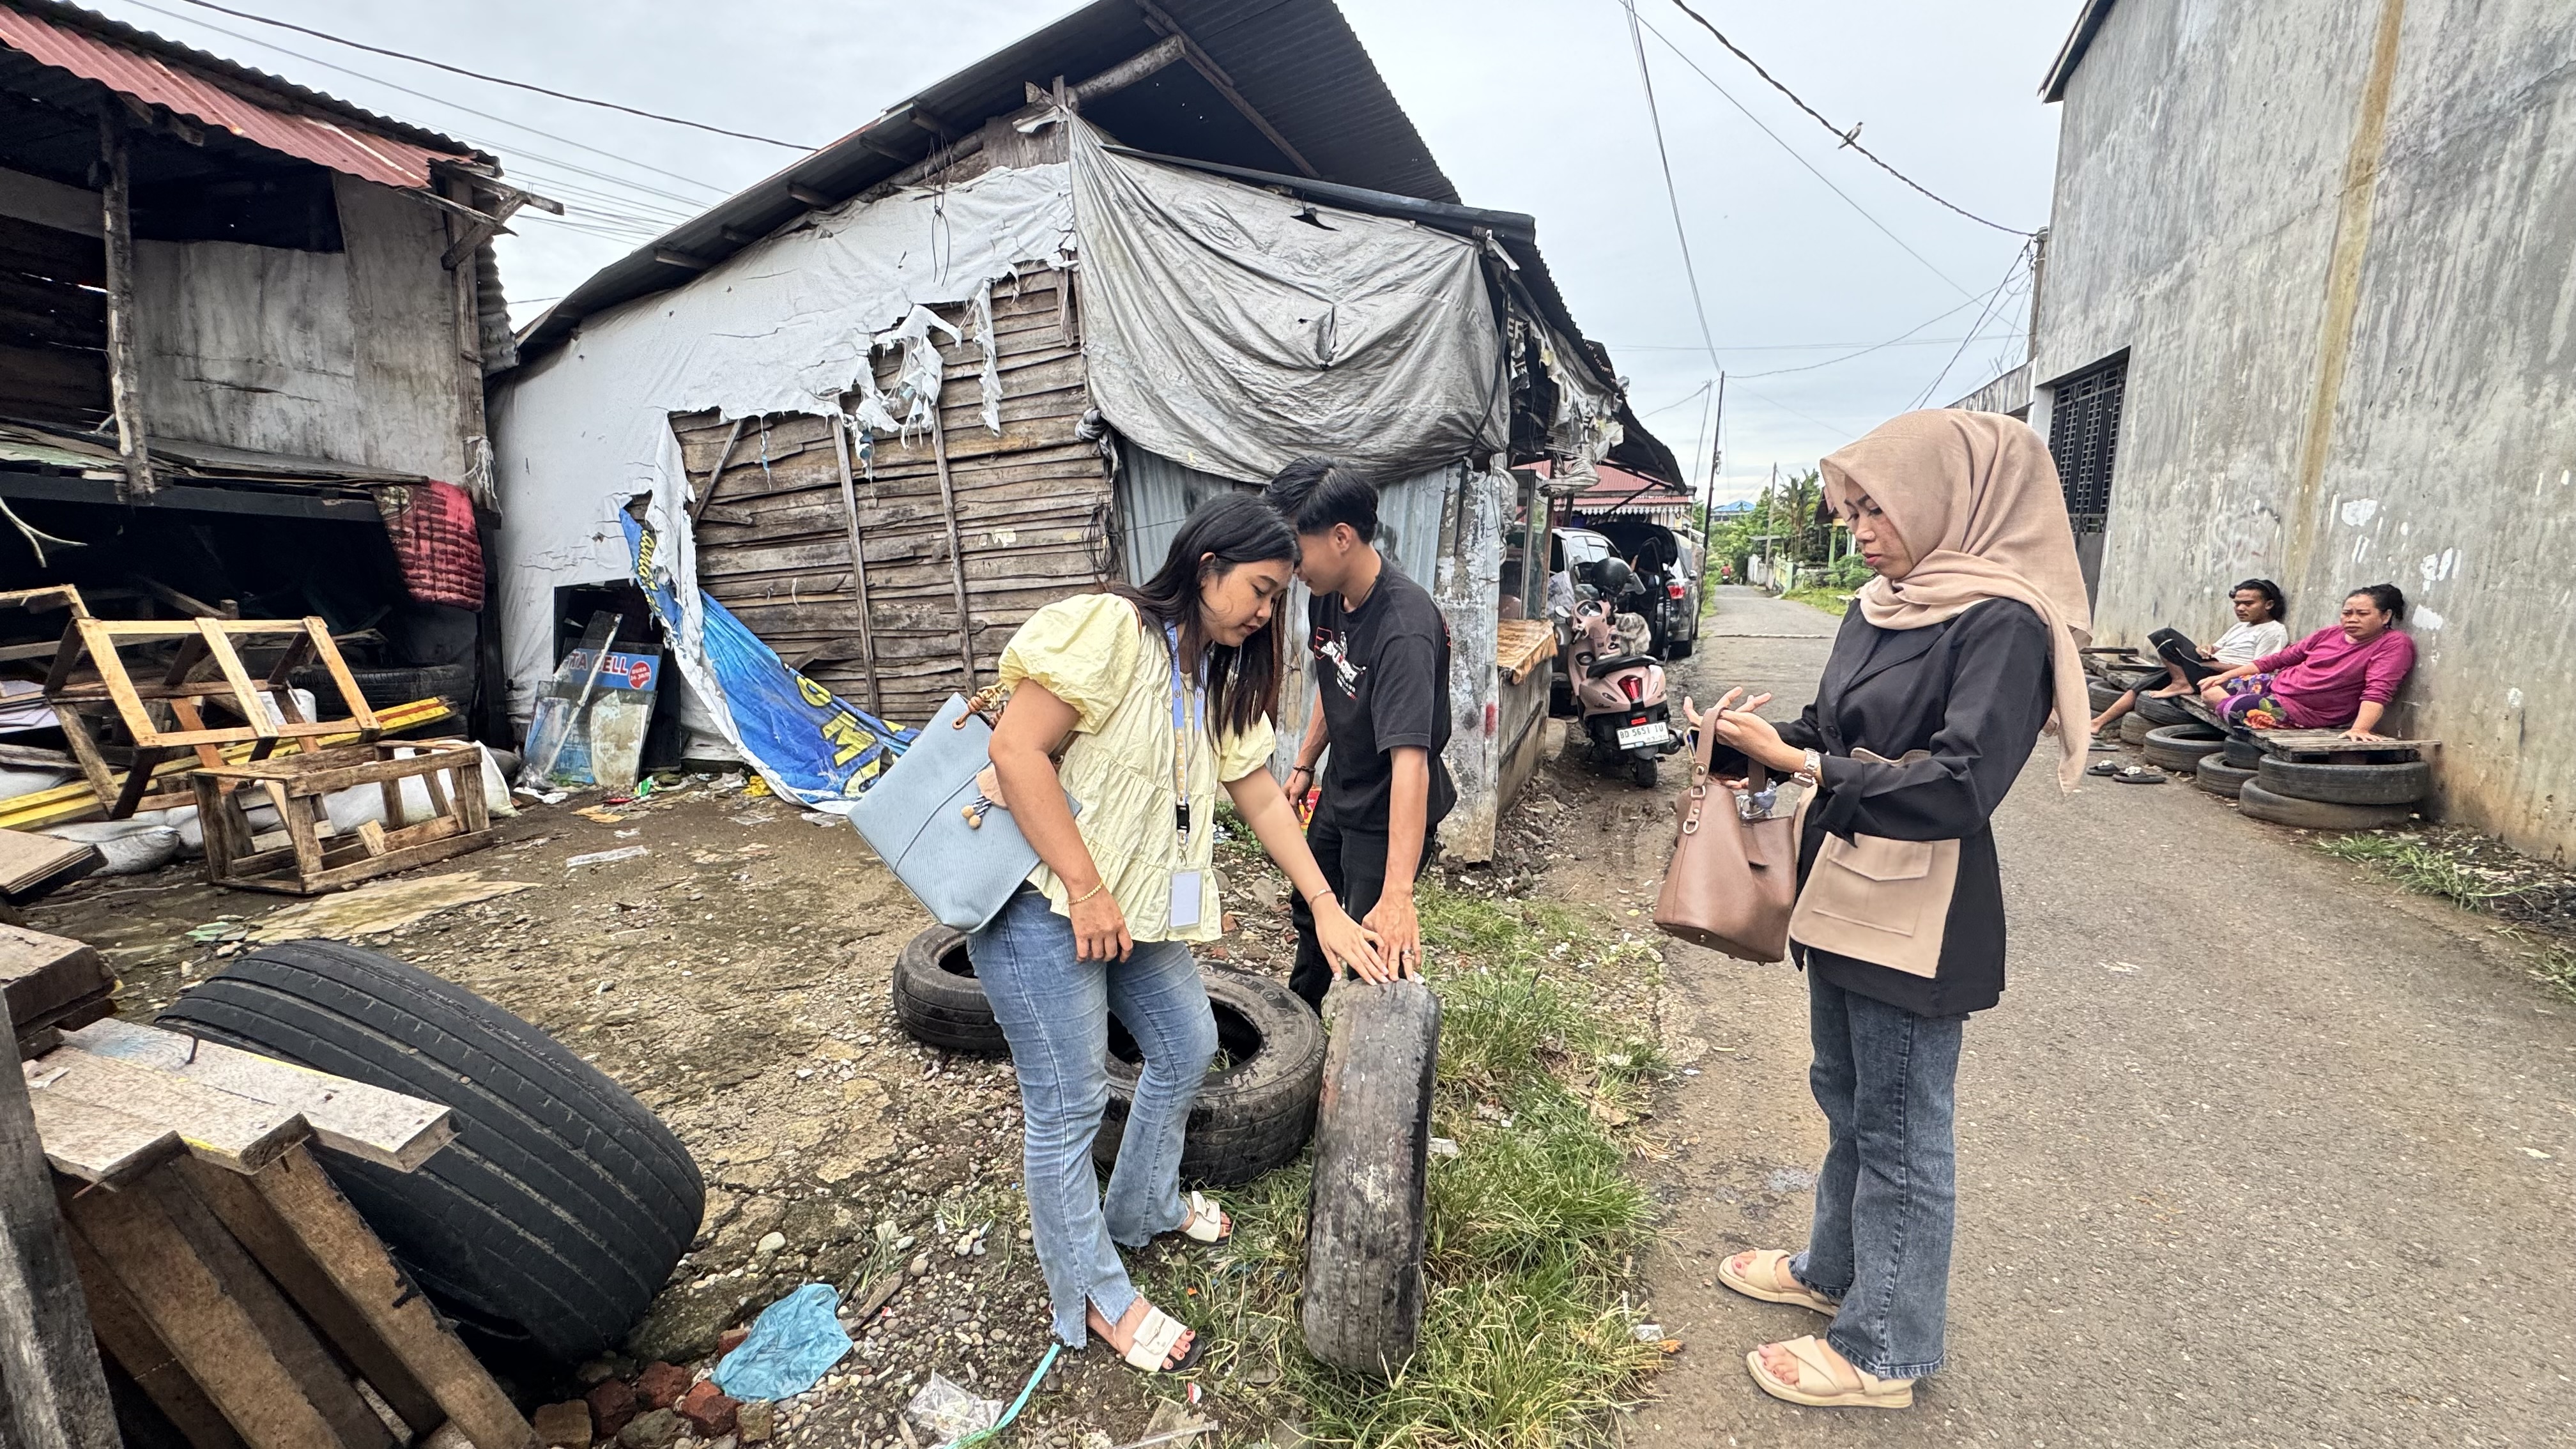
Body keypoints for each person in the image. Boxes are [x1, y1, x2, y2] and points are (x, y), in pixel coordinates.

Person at [1689, 410, 2089, 1411]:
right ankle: (1834, 1272)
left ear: (1951, 497)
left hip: (1924, 914)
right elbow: (1826, 730)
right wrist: (1744, 737)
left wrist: (1811, 764)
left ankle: (1886, 1352)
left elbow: (1960, 786)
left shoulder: (2000, 620)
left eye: (1877, 508)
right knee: (1845, 1100)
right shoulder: (1883, 606)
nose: (1859, 530)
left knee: (1906, 1135)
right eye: (1851, 511)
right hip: (1842, 893)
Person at [974, 493, 1387, 1375]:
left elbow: (1264, 796)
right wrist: (1086, 889)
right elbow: (1015, 752)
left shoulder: (1216, 672)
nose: (1268, 612)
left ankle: (1142, 1207)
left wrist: (1324, 905)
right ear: (1206, 568)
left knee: (1188, 1041)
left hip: (1131, 908)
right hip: (1045, 903)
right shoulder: (1109, 630)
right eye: (1260, 590)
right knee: (1070, 1105)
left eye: (1280, 597)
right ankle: (1091, 1292)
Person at [1262, 456, 1451, 1011]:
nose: (1291, 566)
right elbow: (1337, 673)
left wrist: (1399, 893)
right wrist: (1303, 764)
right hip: (1342, 789)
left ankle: (1368, 1057)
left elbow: (1410, 765)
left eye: (1297, 546)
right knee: (1313, 904)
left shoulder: (1404, 629)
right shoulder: (1327, 590)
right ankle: (1302, 1016)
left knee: (1374, 942)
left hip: (1389, 808)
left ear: (1341, 537)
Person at [2195, 583, 2414, 740]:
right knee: (2211, 689)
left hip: (2308, 709)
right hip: (2279, 685)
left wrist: (2360, 729)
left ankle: (2259, 709)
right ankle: (2258, 702)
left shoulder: (2394, 644)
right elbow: (2280, 659)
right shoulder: (2329, 633)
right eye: (2347, 613)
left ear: (2385, 617)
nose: (2352, 619)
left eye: (2362, 614)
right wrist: (2225, 675)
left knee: (2231, 708)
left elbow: (2378, 691)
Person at [2089, 579, 2288, 733]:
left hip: (2227, 678)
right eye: (2237, 604)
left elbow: (2263, 669)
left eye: (2248, 604)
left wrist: (2214, 667)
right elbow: (2216, 648)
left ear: (2269, 605)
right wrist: (2206, 650)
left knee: (2166, 636)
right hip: (2206, 667)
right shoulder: (2241, 627)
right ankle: (2097, 723)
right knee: (2144, 683)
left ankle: (2182, 682)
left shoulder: (2273, 631)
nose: (2240, 608)